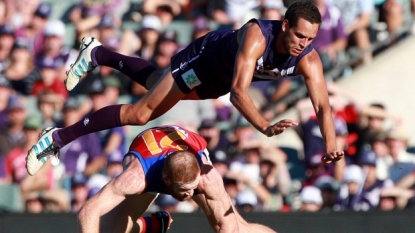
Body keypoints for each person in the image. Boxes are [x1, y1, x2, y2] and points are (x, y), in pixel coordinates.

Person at [26, 0, 344, 176]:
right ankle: (56, 138)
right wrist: (263, 126)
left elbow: (322, 107)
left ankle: (97, 53)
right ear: (285, 25)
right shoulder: (258, 37)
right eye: (300, 36)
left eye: (311, 39)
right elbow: (238, 92)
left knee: (154, 85)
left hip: (215, 81)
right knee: (141, 113)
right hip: (203, 61)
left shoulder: (309, 59)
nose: (304, 45)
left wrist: (331, 144)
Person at [78, 125, 276, 233]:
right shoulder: (136, 178)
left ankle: (152, 225)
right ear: (166, 178)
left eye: (193, 187)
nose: (190, 194)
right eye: (184, 190)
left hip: (186, 147)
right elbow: (88, 210)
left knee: (239, 228)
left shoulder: (208, 178)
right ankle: (150, 226)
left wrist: (192, 184)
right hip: (146, 156)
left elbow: (230, 229)